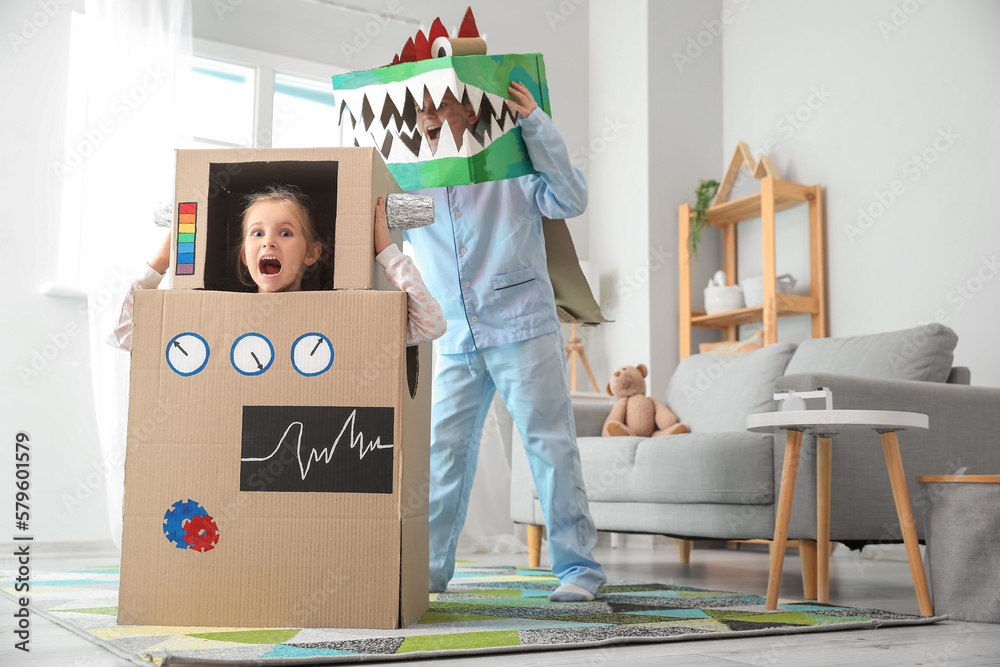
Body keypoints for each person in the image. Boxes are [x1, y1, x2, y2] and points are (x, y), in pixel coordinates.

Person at [406, 81, 606, 602]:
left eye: (441, 104)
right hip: (453, 336)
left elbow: (571, 197)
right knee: (443, 454)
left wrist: (536, 123)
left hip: (522, 325)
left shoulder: (512, 168)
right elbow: (378, 229)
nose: (428, 117)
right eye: (421, 107)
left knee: (549, 444)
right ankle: (426, 573)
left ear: (470, 110)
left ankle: (578, 571)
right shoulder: (414, 185)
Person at [108, 185, 445, 351]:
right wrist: (161, 263)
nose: (269, 242)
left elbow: (431, 325)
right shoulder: (218, 320)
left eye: (285, 233)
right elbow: (123, 334)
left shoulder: (337, 318)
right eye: (257, 233)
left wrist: (387, 253)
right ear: (245, 255)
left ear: (312, 253)